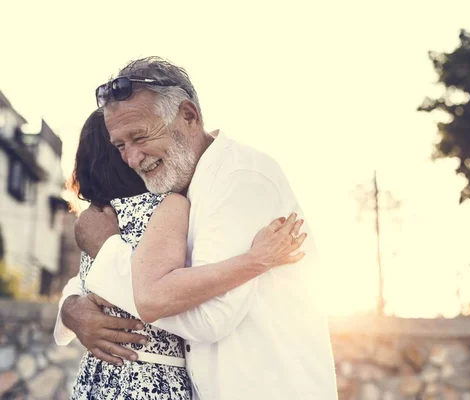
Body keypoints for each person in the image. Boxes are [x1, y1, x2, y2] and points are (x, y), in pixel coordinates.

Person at [56, 57, 338, 400]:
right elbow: (105, 278)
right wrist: (72, 309)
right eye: (120, 146)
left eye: (140, 137)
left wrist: (107, 252)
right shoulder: (178, 186)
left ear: (188, 117)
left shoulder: (240, 179)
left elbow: (208, 317)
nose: (131, 158)